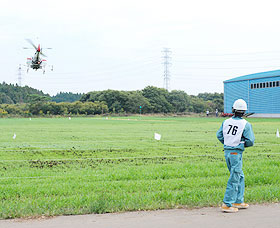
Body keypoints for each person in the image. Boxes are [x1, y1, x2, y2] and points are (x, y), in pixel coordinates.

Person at [216, 99, 255, 213]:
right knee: (235, 177)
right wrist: (241, 144)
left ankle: (238, 201)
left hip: (227, 151)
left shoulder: (226, 122)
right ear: (244, 112)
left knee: (239, 175)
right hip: (236, 152)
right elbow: (250, 141)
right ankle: (227, 203)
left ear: (233, 110)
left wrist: (228, 142)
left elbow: (219, 135)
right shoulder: (246, 124)